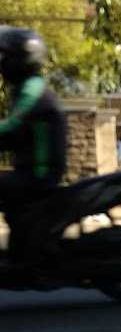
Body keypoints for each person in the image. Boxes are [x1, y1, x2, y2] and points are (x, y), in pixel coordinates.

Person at [0, 28, 67, 262]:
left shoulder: (32, 91)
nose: (2, 62)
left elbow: (11, 128)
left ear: (21, 59)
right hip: (33, 170)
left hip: (39, 173)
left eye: (6, 56)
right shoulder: (26, 88)